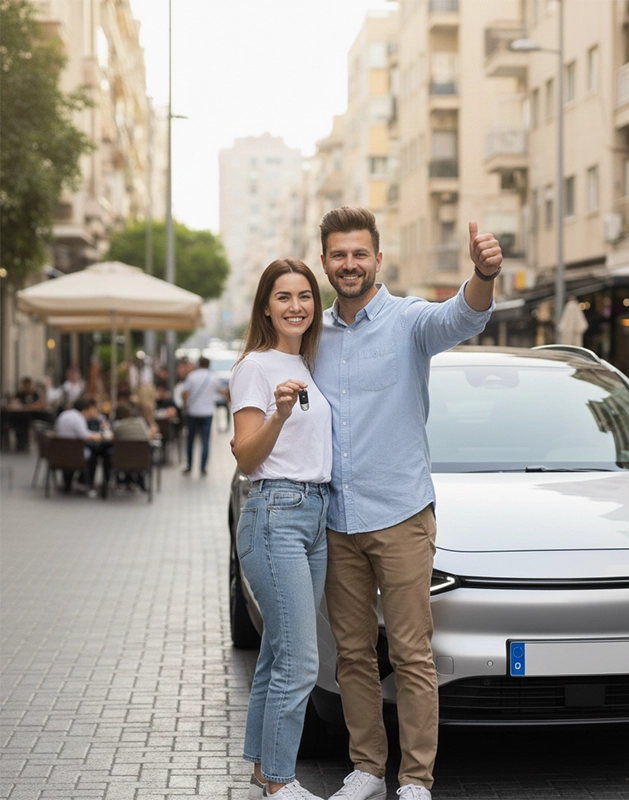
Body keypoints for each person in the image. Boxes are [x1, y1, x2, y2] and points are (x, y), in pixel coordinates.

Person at [315, 207, 502, 800]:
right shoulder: (311, 335)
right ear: (325, 261)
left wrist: (483, 276)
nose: (350, 264)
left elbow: (462, 316)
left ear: (377, 257)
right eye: (339, 254)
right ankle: (367, 769)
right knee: (351, 655)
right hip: (336, 519)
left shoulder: (408, 321)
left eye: (359, 253)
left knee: (411, 653)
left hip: (400, 516)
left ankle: (416, 778)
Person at [229, 258, 332, 800]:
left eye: (305, 296)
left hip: (315, 515)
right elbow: (246, 457)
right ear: (265, 306)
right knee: (300, 658)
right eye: (284, 296)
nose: (296, 306)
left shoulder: (311, 364)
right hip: (276, 514)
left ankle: (261, 767)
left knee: (277, 651)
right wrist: (279, 415)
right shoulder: (255, 368)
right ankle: (280, 779)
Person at [53, 396, 109, 496]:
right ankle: (86, 483)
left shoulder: (65, 414)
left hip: (59, 452)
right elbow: (86, 436)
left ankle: (72, 482)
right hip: (74, 453)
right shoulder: (78, 418)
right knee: (93, 453)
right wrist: (102, 435)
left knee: (89, 450)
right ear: (86, 409)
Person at [181, 356, 220, 475]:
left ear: (199, 364)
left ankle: (189, 465)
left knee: (190, 440)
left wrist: (185, 405)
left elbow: (185, 393)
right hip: (207, 413)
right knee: (205, 440)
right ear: (208, 364)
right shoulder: (213, 377)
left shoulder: (192, 376)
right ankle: (203, 467)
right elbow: (220, 390)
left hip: (193, 412)